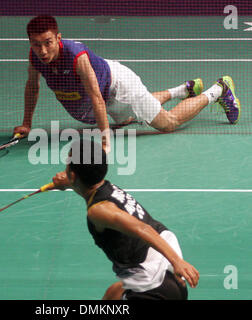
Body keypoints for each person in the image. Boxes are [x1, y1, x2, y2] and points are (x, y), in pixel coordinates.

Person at [14, 15, 241, 153]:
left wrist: (105, 142)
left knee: (168, 123)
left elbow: (95, 97)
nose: (43, 50)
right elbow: (32, 86)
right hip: (107, 96)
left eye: (48, 43)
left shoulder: (76, 57)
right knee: (130, 119)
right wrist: (26, 123)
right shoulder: (35, 57)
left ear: (59, 38)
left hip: (119, 87)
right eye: (36, 44)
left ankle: (219, 89)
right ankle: (183, 90)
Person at [52, 139, 199, 300]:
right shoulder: (103, 186)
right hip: (162, 260)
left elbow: (142, 228)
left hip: (153, 284)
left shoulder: (98, 210)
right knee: (112, 295)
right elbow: (85, 185)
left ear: (73, 175)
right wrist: (69, 182)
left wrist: (177, 261)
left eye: (68, 163)